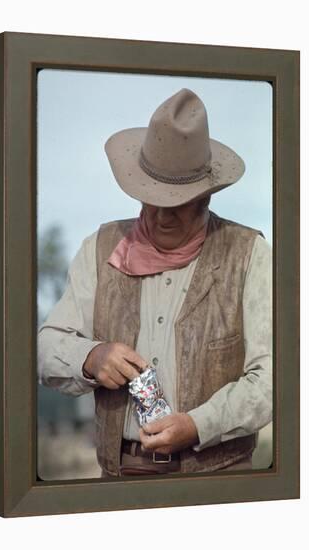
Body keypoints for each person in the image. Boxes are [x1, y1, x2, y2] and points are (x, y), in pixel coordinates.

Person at [37, 88, 272, 477]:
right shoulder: (98, 248)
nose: (161, 217)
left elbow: (273, 380)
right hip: (121, 475)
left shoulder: (249, 254)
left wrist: (200, 425)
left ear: (205, 199)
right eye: (151, 200)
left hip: (222, 479)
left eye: (176, 205)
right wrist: (91, 357)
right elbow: (44, 348)